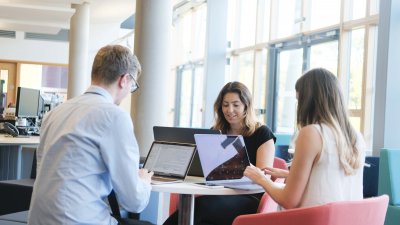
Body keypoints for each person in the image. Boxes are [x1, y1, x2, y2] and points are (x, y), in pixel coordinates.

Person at [28, 45, 153, 225]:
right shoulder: (114, 116)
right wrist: (143, 181)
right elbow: (134, 201)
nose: (128, 92)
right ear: (124, 79)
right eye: (132, 86)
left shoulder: (54, 113)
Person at [244, 68, 366, 209]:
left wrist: (261, 179)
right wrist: (289, 174)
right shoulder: (355, 136)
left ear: (308, 101)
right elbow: (332, 179)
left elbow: (289, 200)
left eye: (299, 100)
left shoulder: (312, 133)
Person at [164, 81, 276, 225]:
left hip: (249, 198)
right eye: (225, 104)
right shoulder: (217, 131)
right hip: (218, 193)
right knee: (201, 215)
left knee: (202, 207)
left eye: (236, 105)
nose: (230, 110)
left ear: (246, 106)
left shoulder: (262, 133)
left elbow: (263, 176)